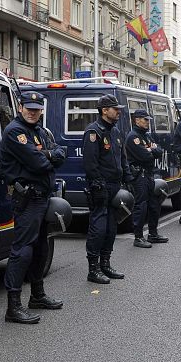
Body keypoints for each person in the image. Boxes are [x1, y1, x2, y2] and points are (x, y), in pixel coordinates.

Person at [0, 91, 66, 324]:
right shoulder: (15, 132)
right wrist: (47, 156)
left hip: (42, 197)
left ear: (41, 110)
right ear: (20, 107)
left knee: (41, 249)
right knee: (22, 251)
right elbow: (38, 164)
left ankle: (37, 296)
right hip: (27, 199)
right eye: (28, 108)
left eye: (36, 109)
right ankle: (13, 307)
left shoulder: (40, 131)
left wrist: (45, 153)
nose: (32, 112)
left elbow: (61, 153)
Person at [83, 94, 132, 283]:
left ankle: (105, 264)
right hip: (100, 187)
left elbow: (122, 158)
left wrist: (128, 179)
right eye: (115, 109)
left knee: (111, 228)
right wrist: (98, 184)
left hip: (115, 186)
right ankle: (93, 269)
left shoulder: (115, 132)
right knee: (98, 228)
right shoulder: (93, 132)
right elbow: (90, 163)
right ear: (104, 111)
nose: (118, 111)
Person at [125, 109, 169, 247]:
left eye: (148, 120)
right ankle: (138, 237)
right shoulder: (133, 137)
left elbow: (159, 150)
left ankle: (153, 234)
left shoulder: (146, 136)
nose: (148, 122)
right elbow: (145, 156)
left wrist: (152, 149)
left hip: (148, 174)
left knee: (154, 204)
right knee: (141, 206)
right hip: (139, 175)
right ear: (137, 120)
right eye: (145, 120)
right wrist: (151, 150)